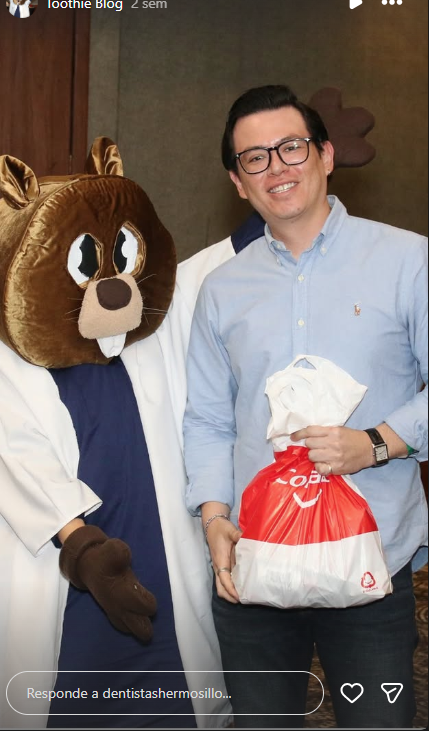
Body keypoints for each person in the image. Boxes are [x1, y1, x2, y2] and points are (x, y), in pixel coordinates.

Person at [183, 85, 428, 729]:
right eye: (254, 158)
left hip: (372, 560)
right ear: (238, 183)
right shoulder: (221, 289)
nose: (276, 168)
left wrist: (375, 442)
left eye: (291, 147)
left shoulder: (409, 261)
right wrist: (213, 519)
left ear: (325, 155)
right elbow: (208, 418)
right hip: (254, 560)